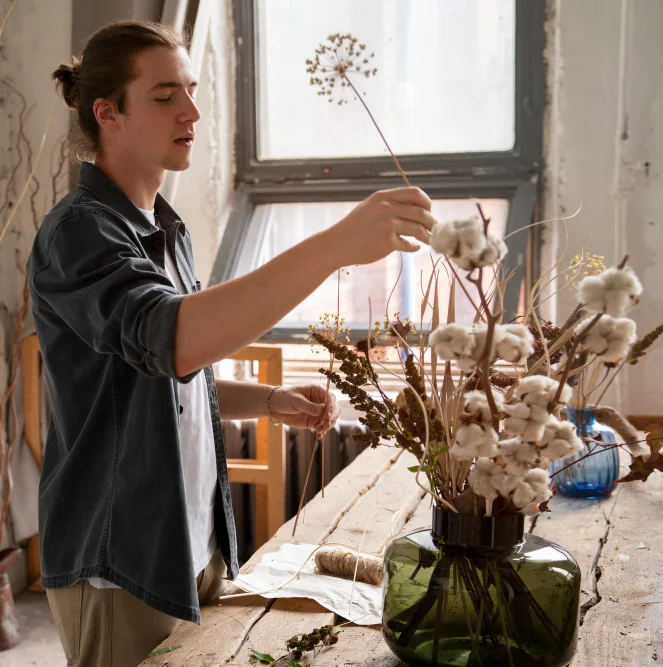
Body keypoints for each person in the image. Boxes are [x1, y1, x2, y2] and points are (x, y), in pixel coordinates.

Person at [27, 19, 437, 667]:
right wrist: (334, 246)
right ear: (108, 112)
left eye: (191, 89)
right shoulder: (77, 232)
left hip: (193, 540)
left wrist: (270, 400)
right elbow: (174, 342)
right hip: (120, 554)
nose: (191, 110)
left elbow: (171, 380)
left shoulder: (167, 229)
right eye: (165, 96)